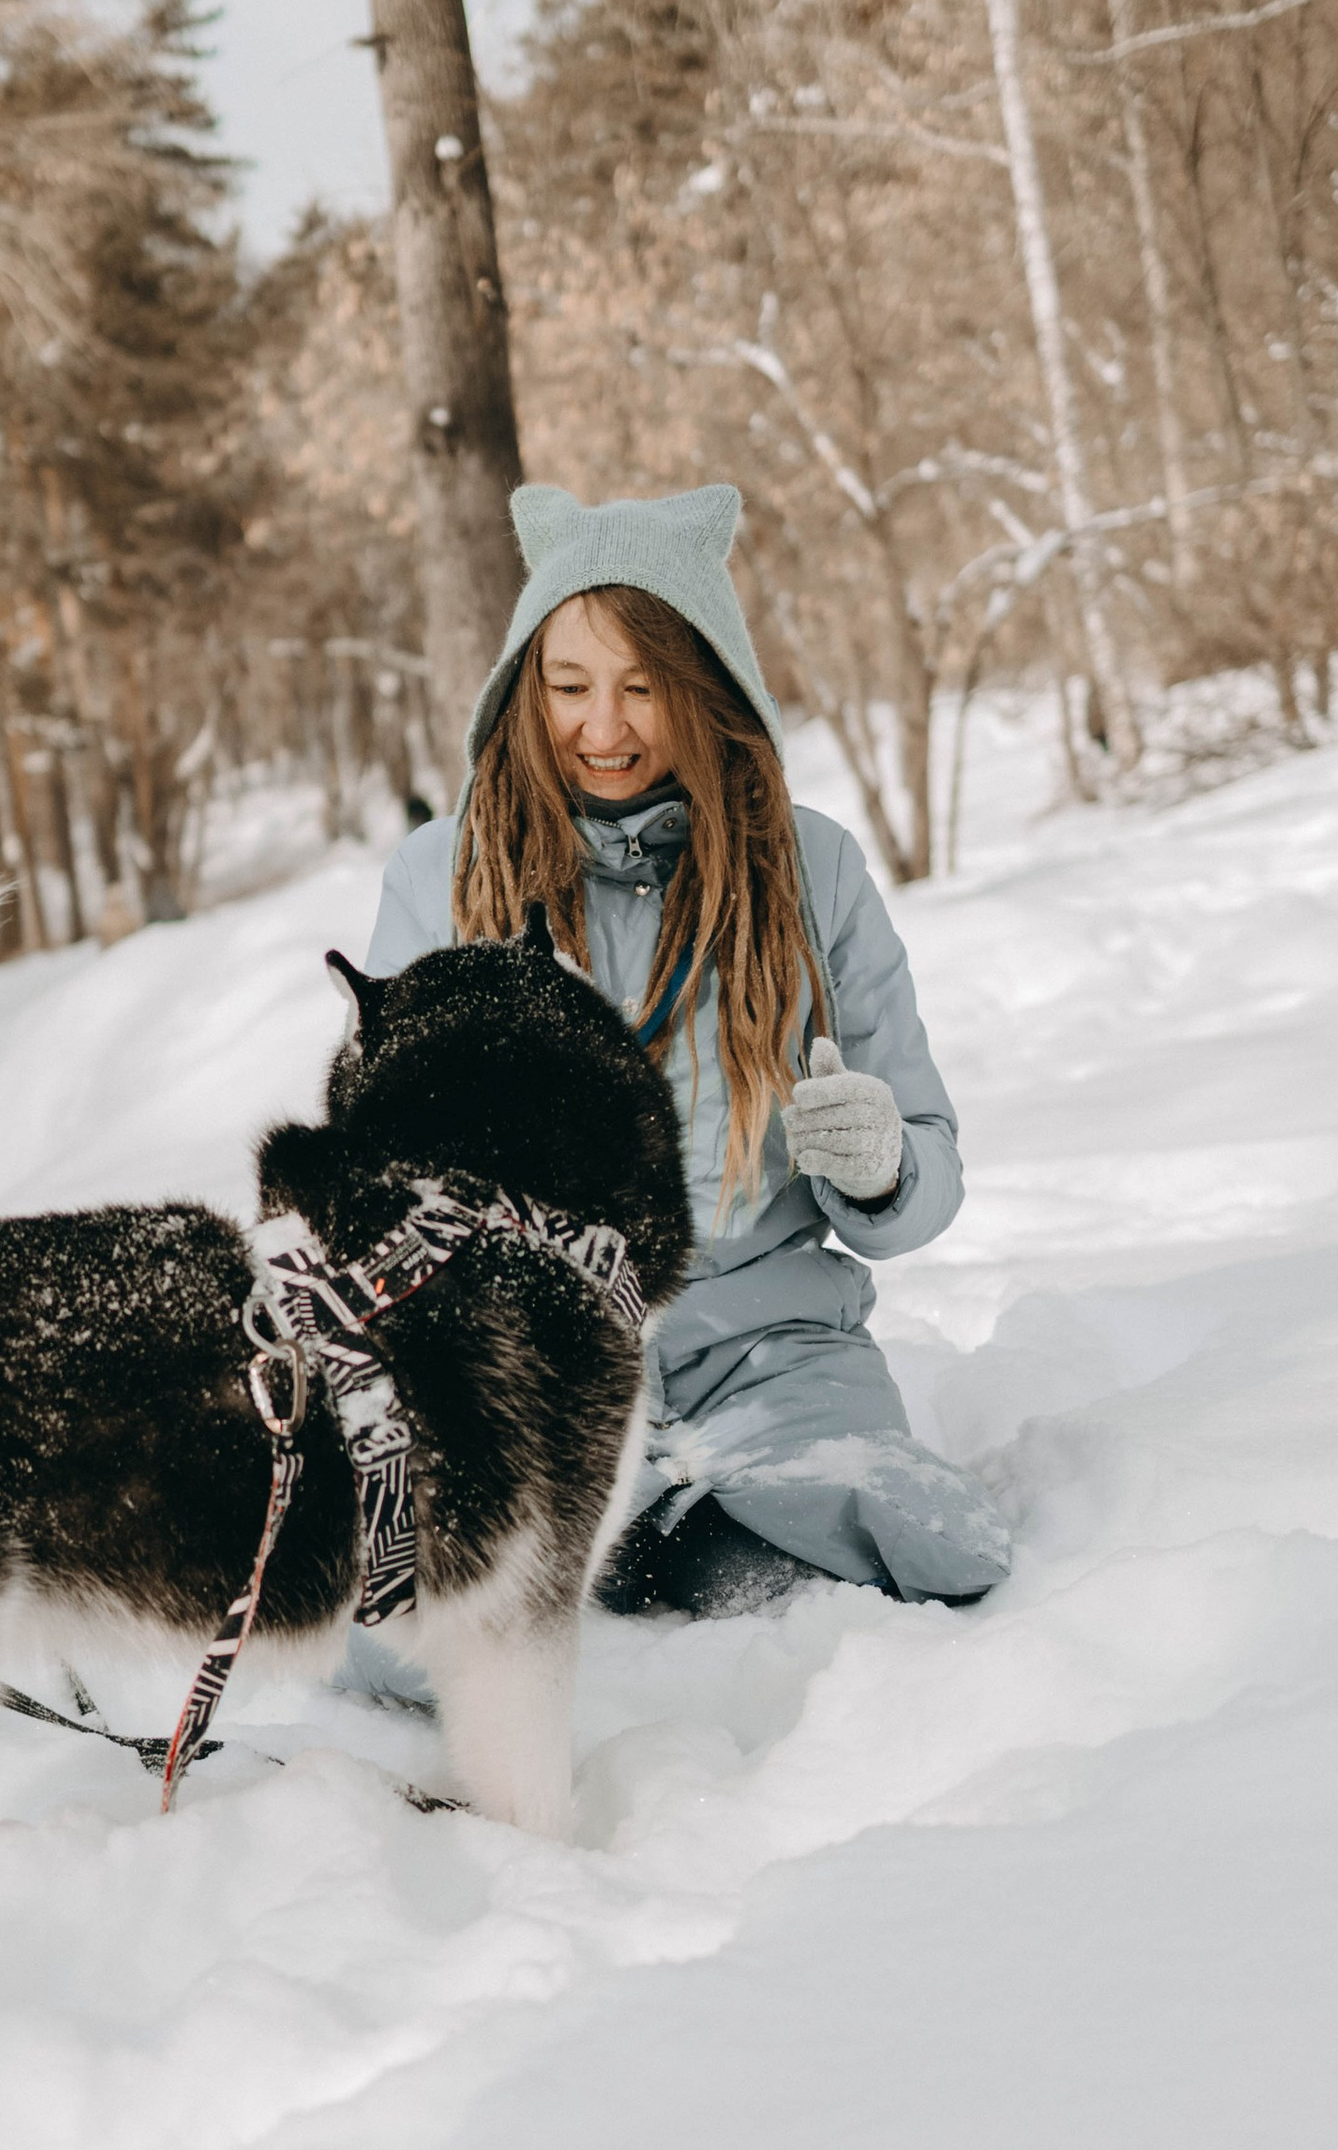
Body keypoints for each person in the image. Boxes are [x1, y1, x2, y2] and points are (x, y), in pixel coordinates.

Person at [360, 480, 1010, 1627]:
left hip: (770, 1353)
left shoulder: (812, 873)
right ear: (524, 687)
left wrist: (879, 1167)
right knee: (399, 1611)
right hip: (528, 1366)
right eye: (567, 687)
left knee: (883, 1560)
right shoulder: (441, 877)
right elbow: (379, 1188)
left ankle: (689, 1551)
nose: (601, 729)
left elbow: (927, 1170)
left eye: (642, 687)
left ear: (706, 689)